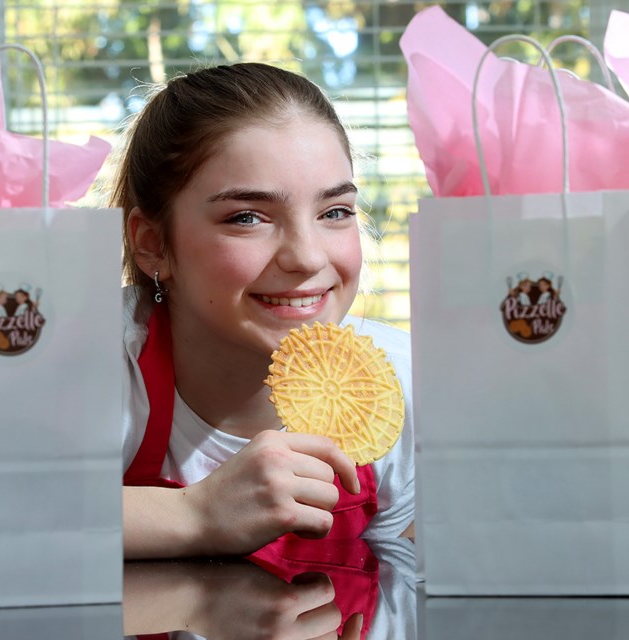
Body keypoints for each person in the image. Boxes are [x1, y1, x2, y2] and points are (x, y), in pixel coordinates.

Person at [110, 62, 414, 560]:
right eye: (247, 217)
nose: (309, 257)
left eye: (334, 212)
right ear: (153, 244)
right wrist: (196, 516)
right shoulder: (95, 371)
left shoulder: (405, 388)